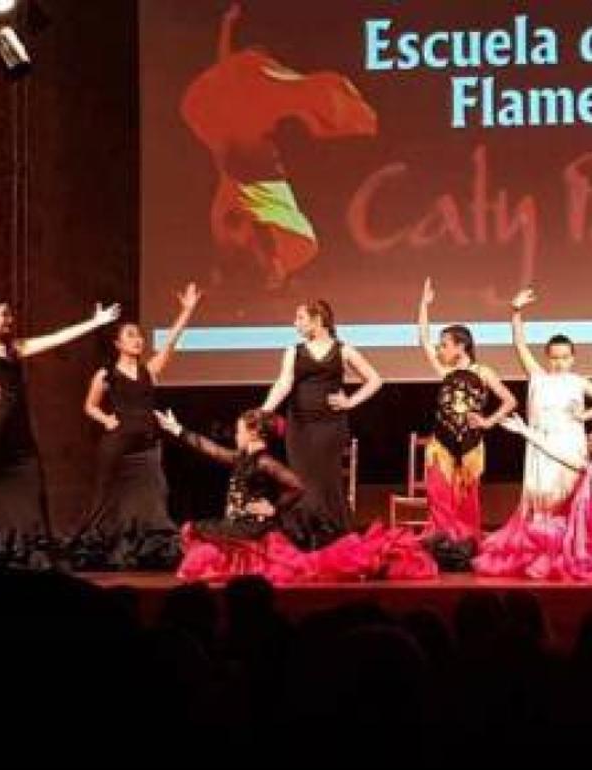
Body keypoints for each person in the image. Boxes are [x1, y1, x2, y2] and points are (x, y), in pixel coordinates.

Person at [181, 2, 377, 291]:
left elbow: (230, 65)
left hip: (256, 174)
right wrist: (227, 25)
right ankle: (251, 270)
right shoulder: (237, 88)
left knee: (260, 227)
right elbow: (225, 63)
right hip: (241, 173)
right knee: (233, 227)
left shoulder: (253, 90)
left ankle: (269, 269)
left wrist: (228, 27)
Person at [0, 298, 120, 567]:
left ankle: (27, 553)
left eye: (10, 316)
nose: (10, 321)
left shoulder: (15, 348)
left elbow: (56, 338)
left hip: (21, 433)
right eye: (4, 315)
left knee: (31, 489)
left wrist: (96, 322)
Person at [157, 408, 434, 583]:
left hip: (255, 526)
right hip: (240, 522)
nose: (236, 435)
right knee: (200, 531)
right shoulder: (240, 458)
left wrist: (273, 508)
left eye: (240, 431)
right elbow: (213, 450)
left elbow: (297, 486)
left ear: (253, 433)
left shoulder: (265, 462)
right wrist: (178, 430)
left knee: (196, 530)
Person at [71, 283, 202, 570]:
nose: (138, 339)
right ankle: (102, 553)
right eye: (131, 335)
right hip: (117, 448)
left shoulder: (149, 370)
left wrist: (187, 310)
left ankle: (150, 553)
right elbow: (89, 406)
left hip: (147, 447)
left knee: (154, 496)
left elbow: (171, 343)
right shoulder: (106, 374)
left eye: (140, 335)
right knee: (108, 501)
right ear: (117, 343)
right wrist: (106, 419)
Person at [475, 412, 592, 580]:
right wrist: (525, 431)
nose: (590, 435)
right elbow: (557, 452)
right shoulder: (590, 464)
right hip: (582, 526)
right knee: (540, 532)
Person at [260, 299, 382, 543]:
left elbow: (375, 379)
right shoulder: (293, 351)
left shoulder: (343, 350)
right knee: (300, 480)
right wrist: (263, 411)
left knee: (326, 480)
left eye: (300, 318)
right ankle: (303, 535)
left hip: (330, 426)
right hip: (300, 426)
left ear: (318, 320)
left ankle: (331, 534)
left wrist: (350, 401)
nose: (296, 324)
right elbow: (283, 384)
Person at [417, 278, 517, 568]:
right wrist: (424, 306)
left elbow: (510, 400)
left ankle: (463, 549)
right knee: (439, 496)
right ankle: (441, 547)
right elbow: (423, 339)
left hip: (471, 446)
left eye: (444, 345)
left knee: (466, 501)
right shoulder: (443, 370)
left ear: (461, 346)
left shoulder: (483, 371)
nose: (439, 350)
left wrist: (488, 421)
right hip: (441, 443)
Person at [509, 287, 592, 519]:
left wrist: (585, 415)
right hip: (542, 442)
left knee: (567, 494)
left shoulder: (578, 381)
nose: (560, 362)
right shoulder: (539, 377)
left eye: (565, 357)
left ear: (573, 358)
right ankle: (543, 537)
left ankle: (568, 538)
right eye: (555, 357)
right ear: (548, 357)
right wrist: (516, 311)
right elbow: (520, 345)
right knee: (542, 493)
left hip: (569, 443)